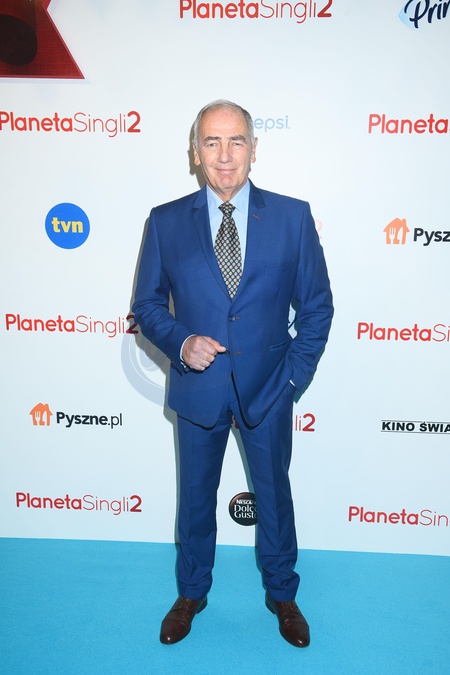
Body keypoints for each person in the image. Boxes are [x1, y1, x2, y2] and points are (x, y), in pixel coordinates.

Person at [132, 99, 333, 647]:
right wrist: (181, 342)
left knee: (275, 499)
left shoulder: (292, 217)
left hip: (270, 390)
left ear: (254, 149)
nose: (225, 155)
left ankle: (282, 593)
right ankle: (191, 593)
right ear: (195, 152)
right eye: (212, 142)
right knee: (195, 500)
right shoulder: (165, 221)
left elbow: (317, 308)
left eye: (236, 141)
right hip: (198, 390)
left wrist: (292, 380)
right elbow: (146, 305)